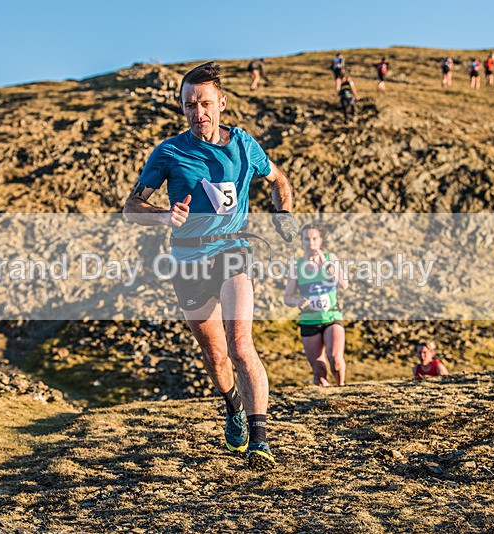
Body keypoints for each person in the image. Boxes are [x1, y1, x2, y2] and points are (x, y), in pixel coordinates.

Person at [123, 62, 299, 471]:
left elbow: (279, 180)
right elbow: (131, 207)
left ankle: (259, 441)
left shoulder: (243, 145)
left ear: (221, 103)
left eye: (204, 103)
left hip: (233, 249)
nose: (197, 112)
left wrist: (283, 214)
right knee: (216, 355)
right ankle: (232, 405)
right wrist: (164, 216)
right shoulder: (169, 152)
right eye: (189, 104)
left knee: (240, 345)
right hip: (187, 259)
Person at [284, 224, 348, 387]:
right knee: (318, 370)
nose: (311, 243)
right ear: (302, 241)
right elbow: (287, 298)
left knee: (335, 359)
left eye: (314, 238)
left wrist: (326, 265)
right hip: (309, 319)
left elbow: (343, 284)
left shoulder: (330, 258)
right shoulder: (297, 266)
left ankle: (341, 388)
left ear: (321, 241)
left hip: (332, 316)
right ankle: (326, 398)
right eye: (307, 239)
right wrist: (297, 302)